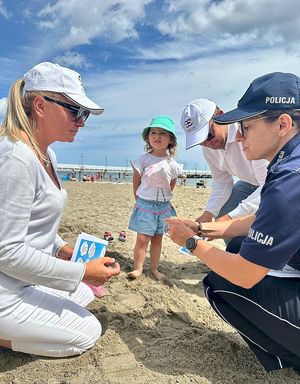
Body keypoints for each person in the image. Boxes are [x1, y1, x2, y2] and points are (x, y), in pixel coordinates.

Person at [166, 72, 300, 373]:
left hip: (270, 195)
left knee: (220, 282)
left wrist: (191, 243)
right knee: (241, 244)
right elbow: (256, 212)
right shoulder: (290, 158)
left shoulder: (289, 178)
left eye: (247, 127)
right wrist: (202, 227)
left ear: (282, 125)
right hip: (272, 202)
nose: (240, 136)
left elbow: (246, 274)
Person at [0, 62, 120, 357]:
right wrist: (80, 270)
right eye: (75, 111)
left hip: (21, 278)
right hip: (6, 287)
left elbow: (34, 223)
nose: (81, 122)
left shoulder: (46, 153)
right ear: (40, 105)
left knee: (80, 293)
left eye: (85, 114)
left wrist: (62, 250)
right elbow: (6, 251)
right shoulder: (17, 159)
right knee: (87, 332)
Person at [180, 98, 269, 227]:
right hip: (250, 182)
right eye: (199, 141)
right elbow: (222, 182)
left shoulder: (247, 131)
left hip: (275, 180)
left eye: (208, 135)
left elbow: (268, 185)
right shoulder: (208, 149)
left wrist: (230, 218)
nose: (206, 143)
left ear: (221, 115)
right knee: (222, 212)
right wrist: (208, 213)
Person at [127, 116, 182, 280]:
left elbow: (171, 183)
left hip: (164, 206)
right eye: (153, 133)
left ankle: (154, 269)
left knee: (157, 239)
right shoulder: (143, 160)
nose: (157, 136)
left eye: (162, 133)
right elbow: (136, 183)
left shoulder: (172, 163)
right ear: (148, 137)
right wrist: (139, 200)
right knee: (142, 239)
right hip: (145, 205)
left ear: (170, 139)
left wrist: (163, 198)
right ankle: (138, 268)